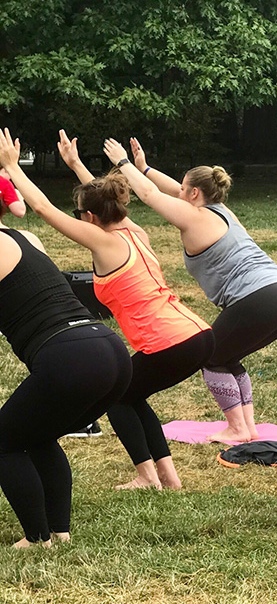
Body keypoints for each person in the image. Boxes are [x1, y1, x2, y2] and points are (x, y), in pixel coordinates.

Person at [7, 140, 213, 490]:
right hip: (196, 333)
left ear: (89, 218)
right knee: (132, 395)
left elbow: (41, 207)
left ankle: (147, 477)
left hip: (170, 339)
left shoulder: (103, 242)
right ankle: (168, 478)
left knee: (117, 397)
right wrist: (74, 165)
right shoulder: (136, 233)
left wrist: (12, 167)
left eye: (81, 213)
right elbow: (105, 200)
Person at [86, 135, 277, 444]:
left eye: (184, 188)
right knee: (228, 356)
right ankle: (247, 427)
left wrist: (123, 164)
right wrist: (144, 168)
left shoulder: (195, 216)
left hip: (258, 297)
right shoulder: (218, 209)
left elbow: (148, 195)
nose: (178, 191)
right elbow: (169, 189)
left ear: (195, 193)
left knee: (211, 356)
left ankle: (237, 428)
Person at [0, 129, 133, 547]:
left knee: (3, 441)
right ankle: (59, 533)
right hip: (108, 351)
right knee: (35, 435)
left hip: (70, 357)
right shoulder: (26, 238)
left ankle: (37, 538)